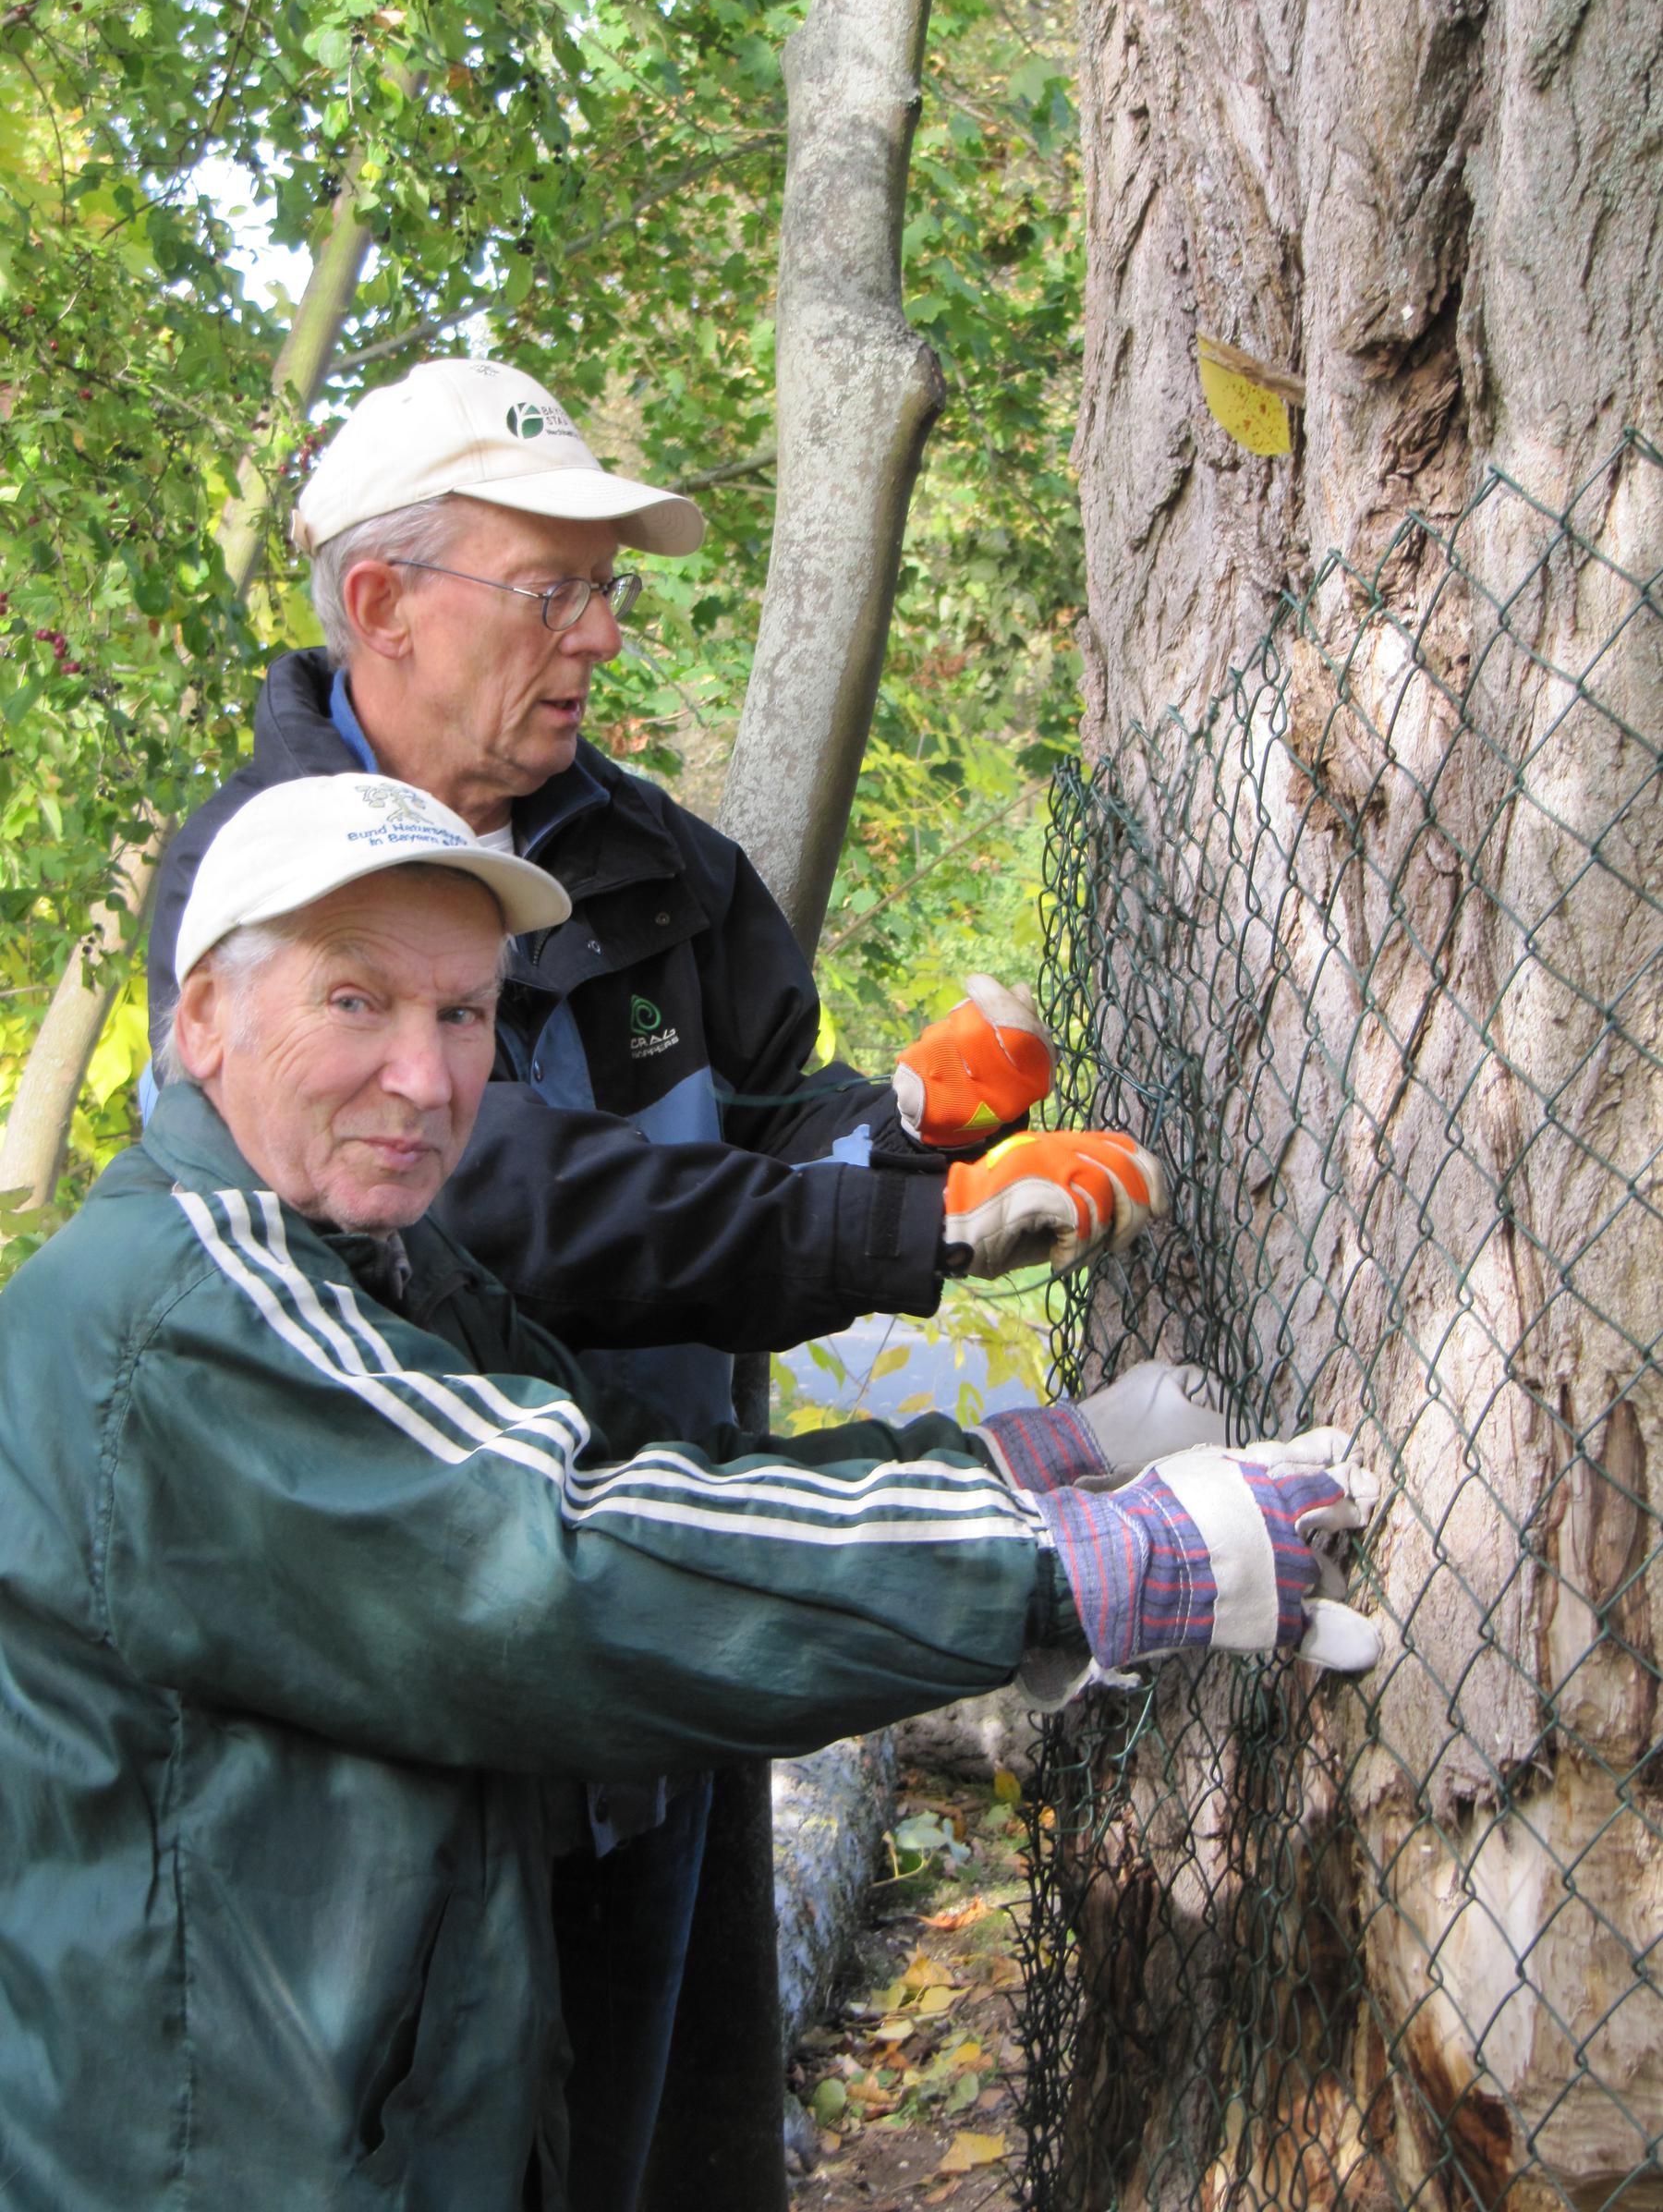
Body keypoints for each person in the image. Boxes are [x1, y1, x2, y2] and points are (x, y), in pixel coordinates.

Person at [0, 776, 1381, 2212]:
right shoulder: (189, 1315)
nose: (423, 1076)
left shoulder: (372, 1269)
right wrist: (1071, 1563)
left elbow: (640, 1475)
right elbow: (571, 1566)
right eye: (355, 1002)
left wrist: (1028, 1465)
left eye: (464, 1014)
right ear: (202, 1021)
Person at [141, 355, 1173, 2208]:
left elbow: (764, 1120)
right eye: (554, 590)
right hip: (415, 1687)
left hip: (680, 1621)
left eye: (608, 590)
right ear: (381, 601)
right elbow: (500, 1206)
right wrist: (921, 1235)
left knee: (673, 2142)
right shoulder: (261, 884)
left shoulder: (653, 865)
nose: (604, 637)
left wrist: (913, 1131)